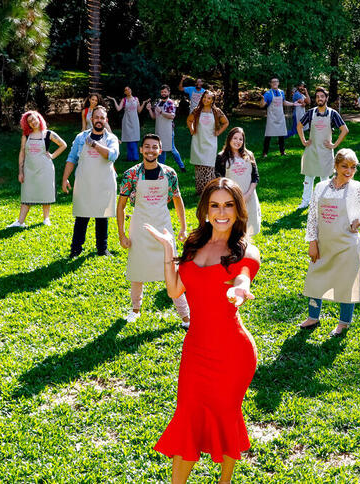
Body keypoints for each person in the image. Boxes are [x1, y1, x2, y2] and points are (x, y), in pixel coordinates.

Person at [147, 178, 260, 484]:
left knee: (225, 415)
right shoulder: (193, 244)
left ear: (238, 210)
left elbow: (243, 278)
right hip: (196, 350)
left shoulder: (245, 250)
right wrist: (170, 249)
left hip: (232, 353)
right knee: (188, 416)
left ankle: (225, 481)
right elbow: (174, 291)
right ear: (205, 209)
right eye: (215, 205)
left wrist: (239, 291)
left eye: (228, 205)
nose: (221, 212)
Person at [298, 149, 360, 336]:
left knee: (346, 285)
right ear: (335, 166)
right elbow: (312, 216)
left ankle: (344, 322)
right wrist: (312, 241)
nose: (349, 171)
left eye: (353, 167)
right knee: (314, 280)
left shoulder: (357, 188)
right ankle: (313, 316)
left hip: (348, 246)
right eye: (345, 166)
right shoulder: (320, 187)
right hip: (323, 245)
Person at [117, 134, 191, 326]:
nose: (151, 150)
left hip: (163, 226)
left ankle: (185, 316)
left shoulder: (169, 174)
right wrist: (122, 234)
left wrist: (183, 228)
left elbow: (178, 200)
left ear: (160, 150)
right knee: (137, 268)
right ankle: (135, 310)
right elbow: (121, 206)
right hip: (140, 226)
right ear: (141, 149)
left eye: (154, 147)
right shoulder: (131, 174)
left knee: (172, 269)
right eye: (147, 147)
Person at [62, 106, 120, 257]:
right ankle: (76, 248)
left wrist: (94, 144)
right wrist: (65, 178)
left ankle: (102, 248)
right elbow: (71, 158)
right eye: (97, 117)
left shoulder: (111, 139)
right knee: (82, 215)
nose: (99, 120)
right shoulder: (81, 138)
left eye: (102, 118)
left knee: (102, 216)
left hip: (104, 183)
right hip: (85, 182)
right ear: (91, 119)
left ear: (105, 120)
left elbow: (112, 156)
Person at [6, 111, 68, 228]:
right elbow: (22, 153)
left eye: (34, 119)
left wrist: (53, 156)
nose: (33, 122)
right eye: (29, 121)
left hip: (45, 169)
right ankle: (20, 222)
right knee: (26, 194)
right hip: (29, 169)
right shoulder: (26, 136)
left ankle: (46, 219)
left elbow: (63, 145)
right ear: (27, 124)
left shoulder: (48, 134)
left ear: (39, 119)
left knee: (46, 193)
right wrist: (21, 171)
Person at [297, 87, 349, 209]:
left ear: (326, 98)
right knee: (308, 177)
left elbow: (345, 130)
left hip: (325, 151)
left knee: (325, 179)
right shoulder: (311, 113)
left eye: (322, 96)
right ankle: (305, 201)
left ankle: (323, 202)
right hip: (311, 150)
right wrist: (304, 141)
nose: (319, 99)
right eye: (317, 97)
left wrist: (334, 145)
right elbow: (299, 126)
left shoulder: (332, 113)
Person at [215, 127, 261, 236]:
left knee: (249, 227)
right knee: (233, 228)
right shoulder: (221, 157)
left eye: (240, 139)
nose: (238, 142)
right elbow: (219, 180)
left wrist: (248, 194)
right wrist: (235, 197)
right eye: (235, 138)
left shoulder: (249, 155)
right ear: (229, 139)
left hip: (249, 197)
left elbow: (255, 177)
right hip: (231, 197)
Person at [187, 90, 229, 195]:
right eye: (204, 97)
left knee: (209, 165)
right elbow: (189, 120)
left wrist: (218, 131)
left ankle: (210, 190)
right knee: (199, 166)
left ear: (212, 100)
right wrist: (192, 130)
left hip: (210, 142)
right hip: (198, 140)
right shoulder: (197, 110)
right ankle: (200, 190)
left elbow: (226, 122)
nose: (206, 100)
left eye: (209, 98)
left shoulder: (216, 111)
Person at [260, 77, 301, 157]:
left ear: (278, 83)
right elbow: (262, 105)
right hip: (271, 117)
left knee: (281, 135)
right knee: (268, 135)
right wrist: (262, 99)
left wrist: (293, 104)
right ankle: (265, 153)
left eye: (276, 81)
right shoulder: (268, 94)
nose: (275, 83)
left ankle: (282, 152)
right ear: (270, 84)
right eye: (273, 82)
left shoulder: (281, 92)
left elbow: (283, 102)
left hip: (280, 117)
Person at [106, 86, 148, 163]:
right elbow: (118, 108)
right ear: (125, 92)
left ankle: (135, 157)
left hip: (135, 120)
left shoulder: (136, 99)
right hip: (127, 121)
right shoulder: (124, 100)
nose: (128, 90)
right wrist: (113, 100)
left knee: (134, 138)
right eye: (126, 90)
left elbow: (139, 110)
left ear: (131, 90)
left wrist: (144, 103)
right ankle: (130, 157)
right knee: (129, 139)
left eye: (129, 89)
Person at [148, 84, 185, 170]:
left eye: (165, 92)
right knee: (161, 148)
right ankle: (161, 168)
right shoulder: (158, 103)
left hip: (168, 130)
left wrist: (161, 112)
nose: (163, 93)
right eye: (162, 92)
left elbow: (172, 116)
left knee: (172, 149)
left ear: (168, 92)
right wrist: (149, 109)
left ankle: (181, 166)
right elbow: (154, 117)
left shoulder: (170, 103)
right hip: (159, 129)